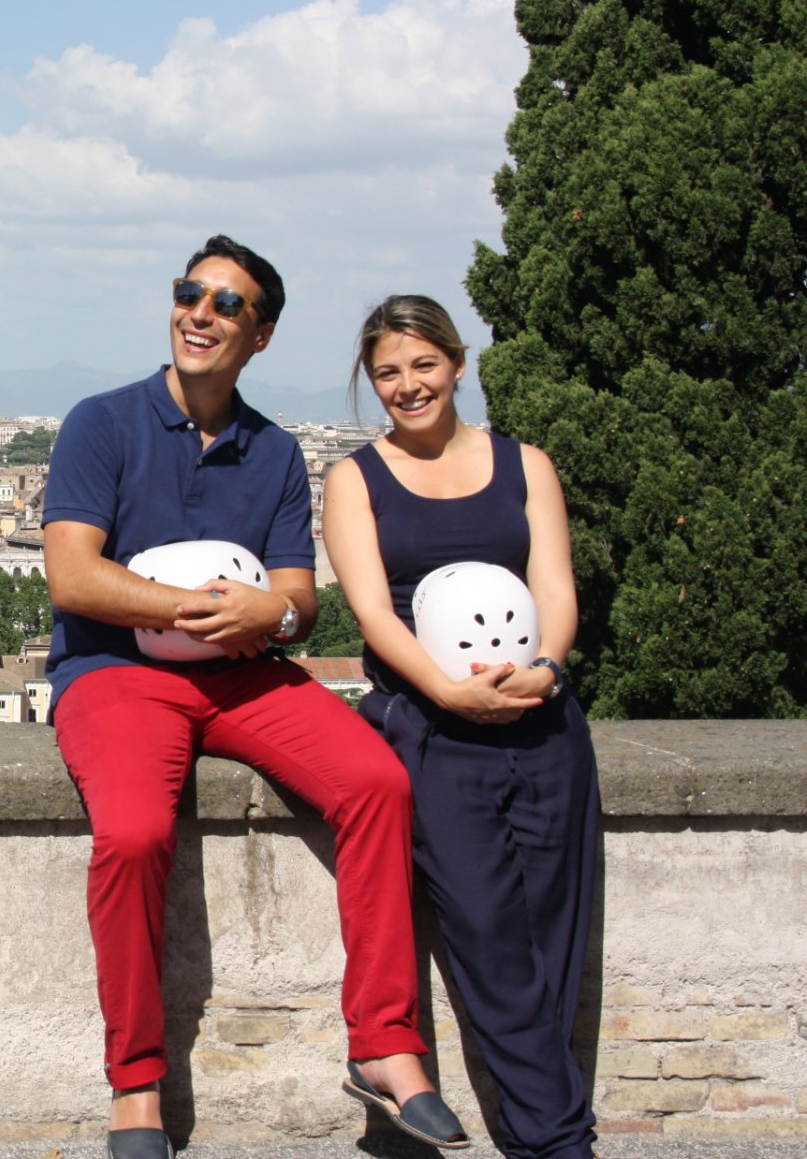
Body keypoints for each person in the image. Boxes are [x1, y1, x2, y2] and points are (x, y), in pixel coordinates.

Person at [43, 238, 469, 1159]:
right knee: (133, 834)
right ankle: (137, 1084)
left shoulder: (275, 452)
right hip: (116, 673)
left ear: (260, 334)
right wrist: (197, 608)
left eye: (226, 304)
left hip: (244, 675)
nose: (200, 312)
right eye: (189, 292)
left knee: (377, 783)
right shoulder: (101, 423)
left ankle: (388, 1047)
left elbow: (300, 604)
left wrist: (266, 613)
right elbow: (74, 578)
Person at [321, 294, 601, 1159]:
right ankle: (561, 1145)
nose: (408, 386)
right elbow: (374, 613)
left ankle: (543, 1136)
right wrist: (449, 691)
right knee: (486, 938)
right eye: (388, 374)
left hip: (542, 722)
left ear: (457, 362)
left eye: (422, 365)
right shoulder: (354, 479)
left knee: (558, 938)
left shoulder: (527, 465)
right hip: (430, 730)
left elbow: (555, 588)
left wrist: (546, 667)